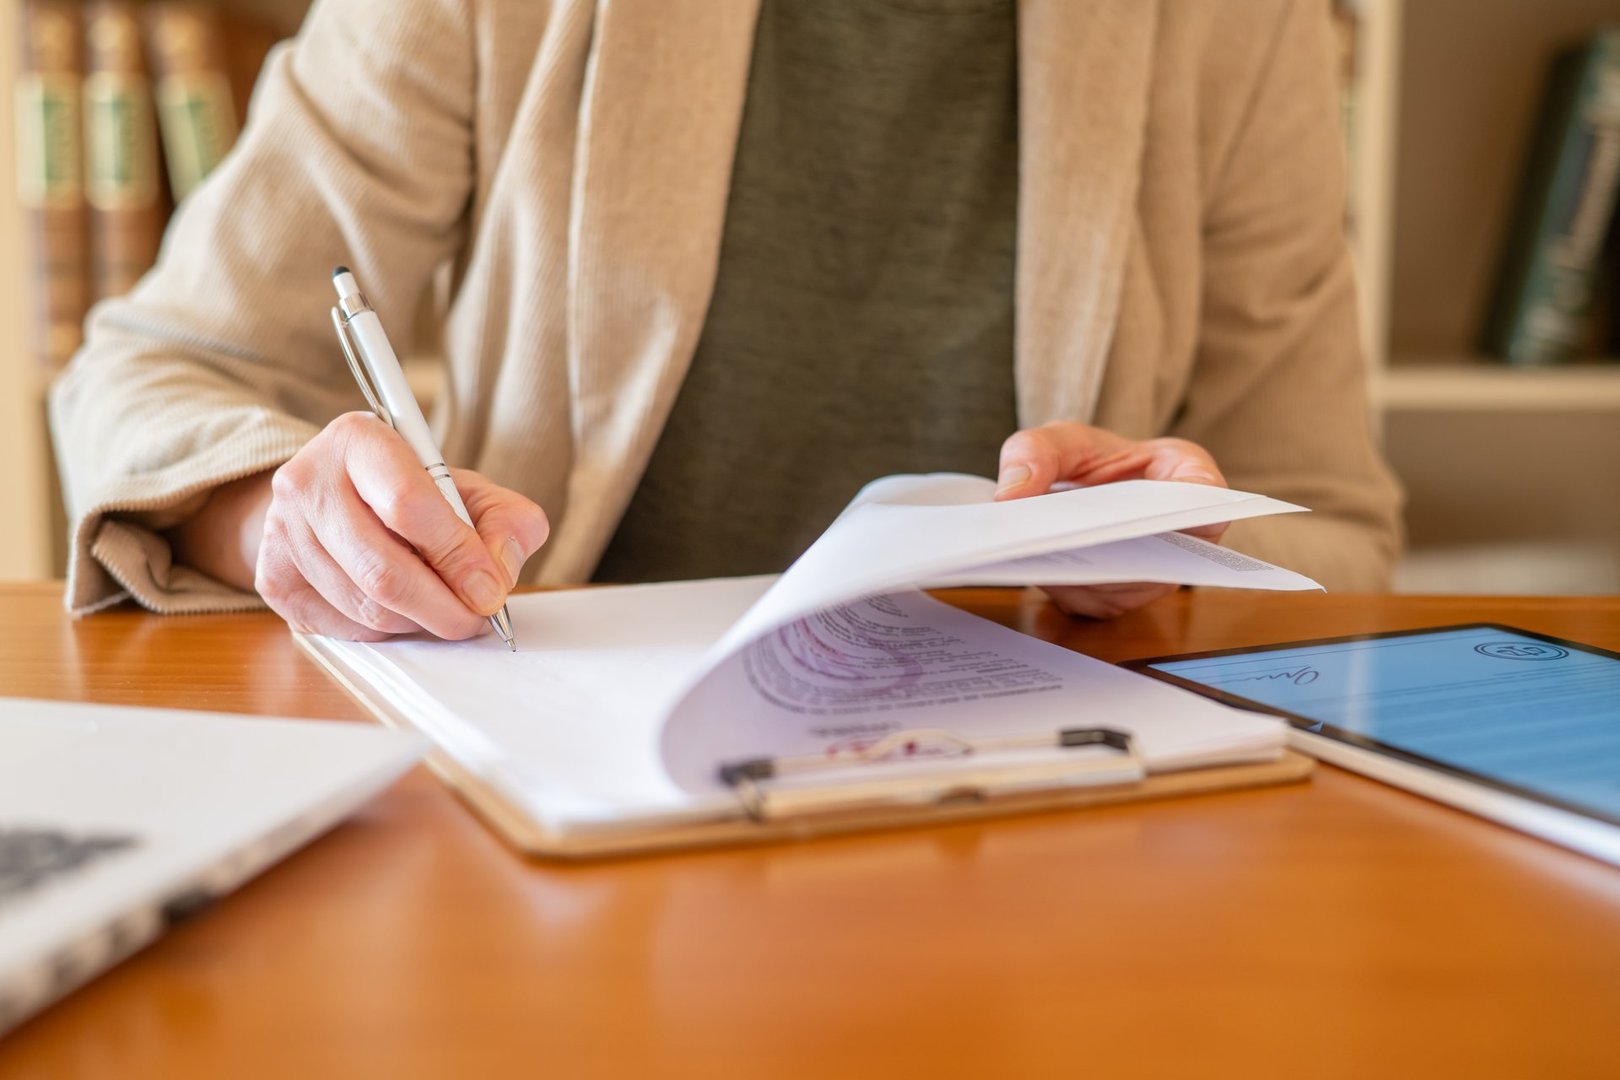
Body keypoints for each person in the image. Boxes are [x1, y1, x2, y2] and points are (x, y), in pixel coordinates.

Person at [50, 0, 1402, 640]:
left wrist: (1172, 564)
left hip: (1037, 798)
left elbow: (1336, 522)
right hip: (574, 779)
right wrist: (285, 520)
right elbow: (157, 368)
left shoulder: (1240, 25)